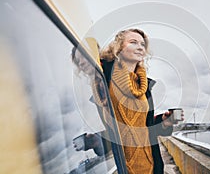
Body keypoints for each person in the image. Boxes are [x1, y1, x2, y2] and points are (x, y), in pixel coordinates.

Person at [72, 28, 179, 174]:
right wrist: (97, 140)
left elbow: (143, 127)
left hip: (153, 166)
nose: (140, 47)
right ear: (119, 47)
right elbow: (118, 131)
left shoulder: (143, 85)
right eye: (133, 42)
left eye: (142, 44)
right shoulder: (103, 83)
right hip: (126, 168)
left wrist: (164, 122)